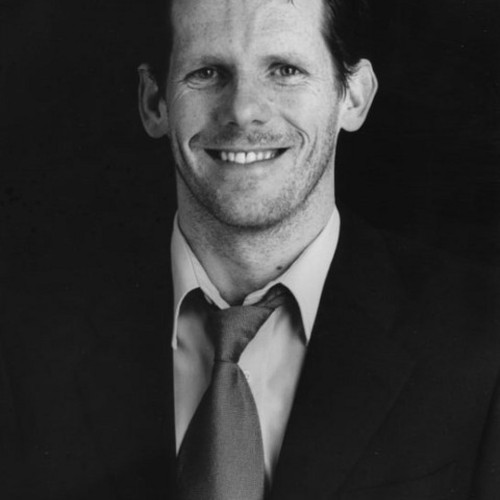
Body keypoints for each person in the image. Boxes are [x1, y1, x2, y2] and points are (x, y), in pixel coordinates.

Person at [1, 0, 498, 498]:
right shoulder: (25, 340)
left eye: (285, 70)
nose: (242, 110)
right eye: (207, 72)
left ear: (353, 96)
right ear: (154, 103)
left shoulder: (482, 339)